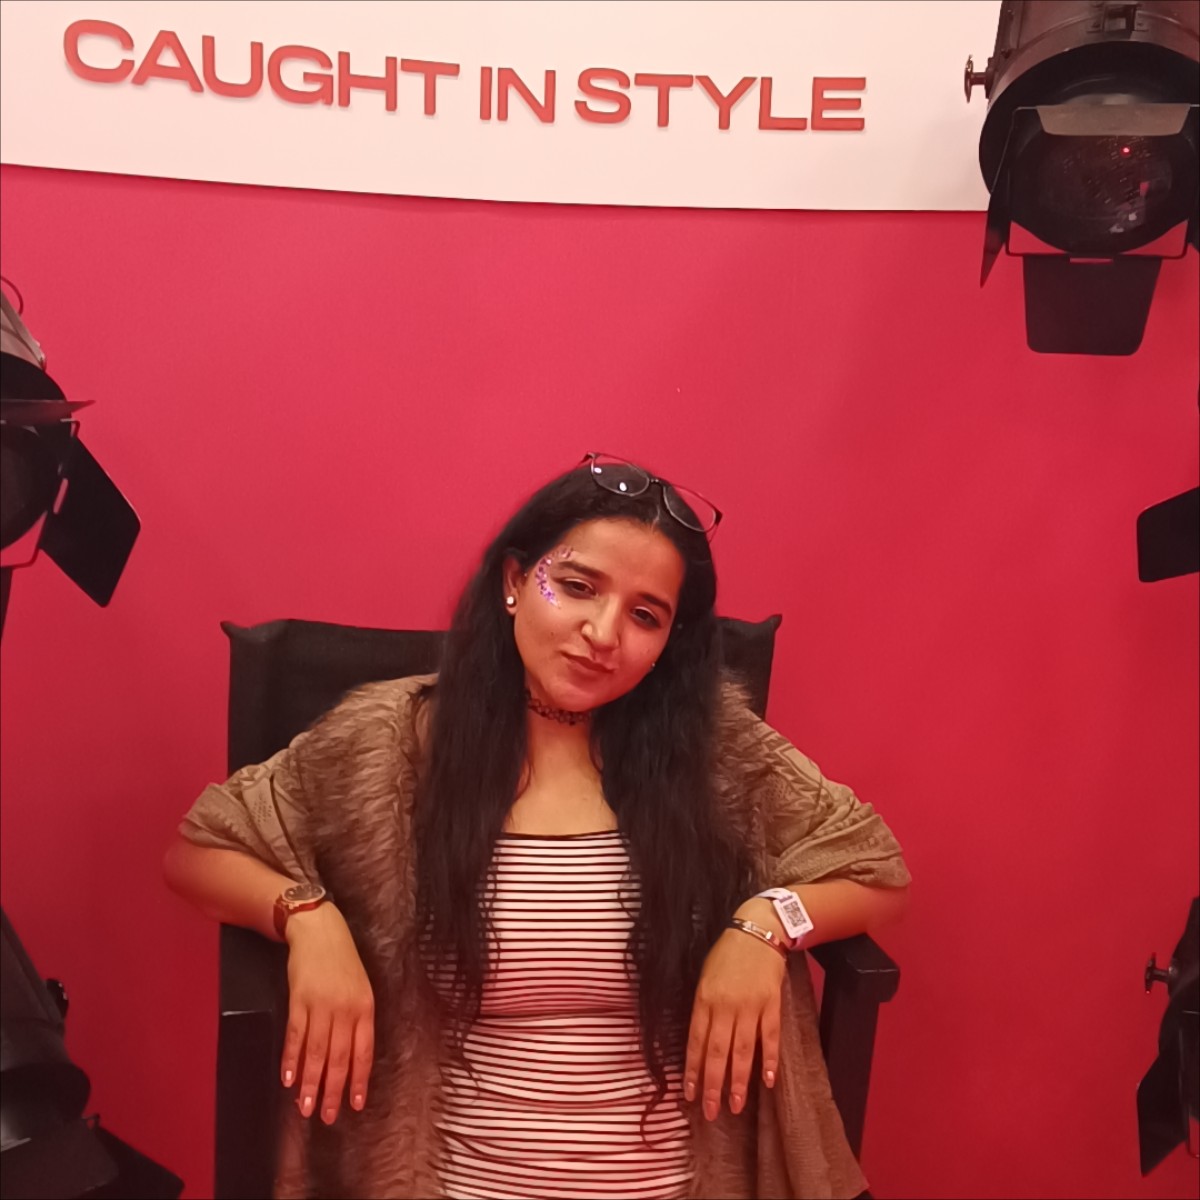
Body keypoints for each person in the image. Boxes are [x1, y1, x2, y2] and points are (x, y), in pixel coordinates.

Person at [164, 452, 911, 1200]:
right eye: (577, 586)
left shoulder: (713, 754)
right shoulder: (389, 744)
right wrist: (308, 918)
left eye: (645, 616)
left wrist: (766, 925)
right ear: (515, 581)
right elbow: (202, 850)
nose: (603, 632)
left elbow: (875, 871)